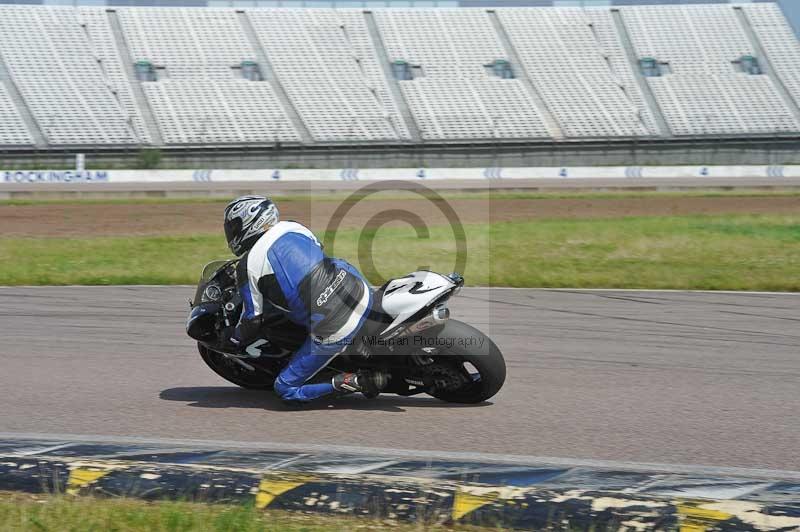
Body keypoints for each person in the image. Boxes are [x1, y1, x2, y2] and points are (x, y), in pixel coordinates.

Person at [221, 195, 388, 402]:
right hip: (359, 288)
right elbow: (317, 251)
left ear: (250, 222)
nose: (231, 232)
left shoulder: (247, 265)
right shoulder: (292, 226)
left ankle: (351, 381)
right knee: (331, 263)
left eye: (234, 226)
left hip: (336, 326)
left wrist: (233, 337)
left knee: (285, 388)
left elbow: (252, 319)